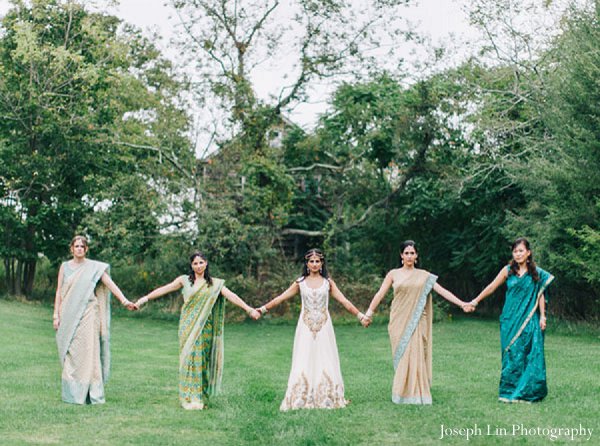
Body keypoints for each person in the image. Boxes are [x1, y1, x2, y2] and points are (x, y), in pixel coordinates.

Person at [135, 251, 260, 410]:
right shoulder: (184, 281)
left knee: (201, 361)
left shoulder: (214, 284)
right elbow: (164, 289)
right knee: (188, 359)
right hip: (187, 326)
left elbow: (231, 296)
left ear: (206, 263)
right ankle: (188, 397)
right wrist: (143, 300)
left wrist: (249, 310)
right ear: (191, 265)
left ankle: (200, 397)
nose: (199, 266)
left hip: (205, 328)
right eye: (195, 263)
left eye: (201, 262)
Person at [257, 248, 368, 411]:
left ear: (322, 263)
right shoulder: (300, 283)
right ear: (307, 264)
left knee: (326, 358)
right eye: (311, 261)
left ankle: (328, 396)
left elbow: (344, 301)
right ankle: (301, 396)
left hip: (324, 327)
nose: (315, 264)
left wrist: (360, 316)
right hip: (305, 327)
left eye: (317, 261)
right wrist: (261, 309)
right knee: (304, 357)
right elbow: (281, 298)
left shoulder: (328, 283)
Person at [363, 240, 473, 405]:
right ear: (401, 255)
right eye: (406, 253)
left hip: (417, 321)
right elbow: (380, 294)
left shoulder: (424, 275)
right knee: (402, 356)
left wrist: (462, 303)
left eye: (412, 253)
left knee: (415, 353)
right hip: (398, 320)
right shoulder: (393, 274)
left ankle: (417, 392)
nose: (409, 256)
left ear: (416, 256)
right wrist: (368, 314)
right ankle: (401, 391)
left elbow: (442, 291)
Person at [54, 235, 137, 405]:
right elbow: (59, 291)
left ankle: (91, 392)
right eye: (76, 246)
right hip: (69, 314)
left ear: (86, 249)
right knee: (71, 352)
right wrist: (56, 314)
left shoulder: (94, 268)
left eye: (82, 246)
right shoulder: (64, 267)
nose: (79, 249)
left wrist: (124, 301)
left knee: (89, 352)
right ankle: (72, 393)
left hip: (88, 314)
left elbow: (109, 284)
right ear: (71, 249)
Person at [469, 237, 554, 403]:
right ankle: (508, 391)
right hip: (510, 319)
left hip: (530, 319)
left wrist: (543, 316)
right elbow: (492, 287)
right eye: (515, 251)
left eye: (521, 250)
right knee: (511, 353)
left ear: (528, 253)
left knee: (530, 354)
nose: (518, 254)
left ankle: (528, 392)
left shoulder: (537, 273)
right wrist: (475, 301)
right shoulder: (507, 270)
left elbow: (541, 294)